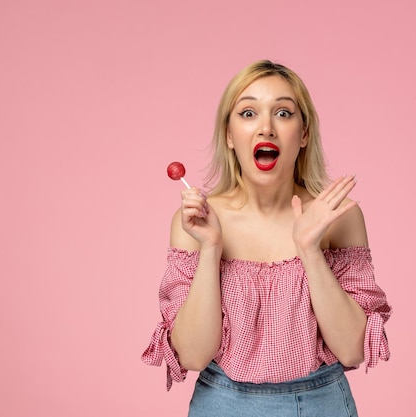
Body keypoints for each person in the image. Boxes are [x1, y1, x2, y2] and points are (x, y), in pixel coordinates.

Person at [142, 60, 392, 416]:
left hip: (322, 404)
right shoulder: (197, 222)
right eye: (247, 113)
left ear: (304, 134)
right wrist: (212, 247)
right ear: (229, 135)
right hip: (221, 404)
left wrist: (310, 249)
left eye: (283, 113)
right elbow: (194, 355)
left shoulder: (339, 216)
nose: (266, 128)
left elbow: (353, 350)